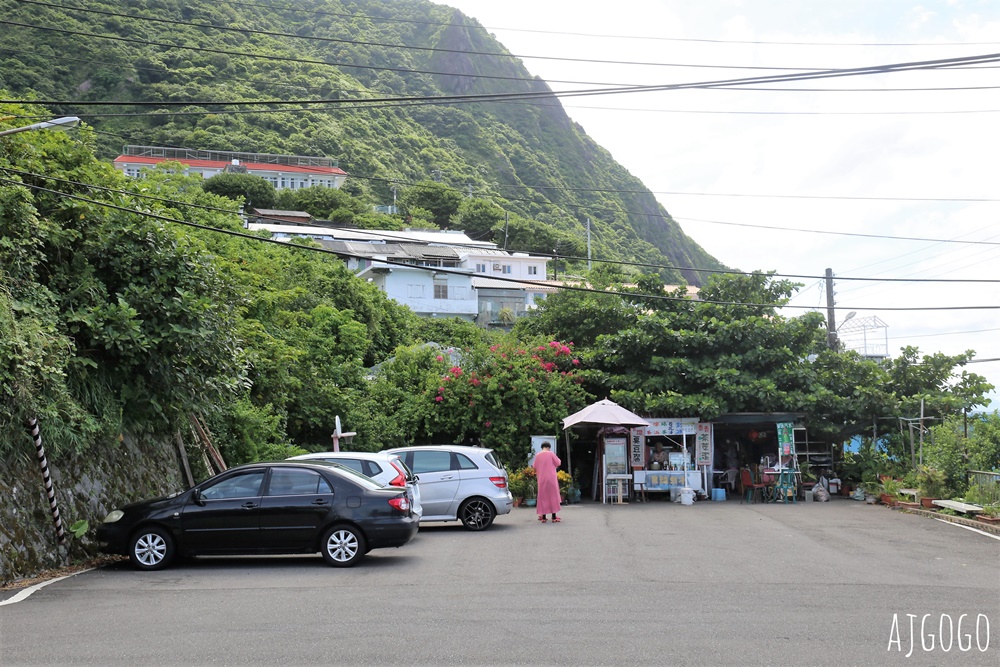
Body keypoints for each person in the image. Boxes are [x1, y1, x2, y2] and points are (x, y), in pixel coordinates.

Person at [532, 442, 562, 523]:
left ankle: (544, 516)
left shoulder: (538, 455)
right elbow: (558, 463)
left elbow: (534, 466)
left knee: (543, 496)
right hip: (551, 479)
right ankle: (554, 516)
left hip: (541, 479)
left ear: (542, 447)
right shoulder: (551, 453)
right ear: (549, 447)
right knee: (553, 496)